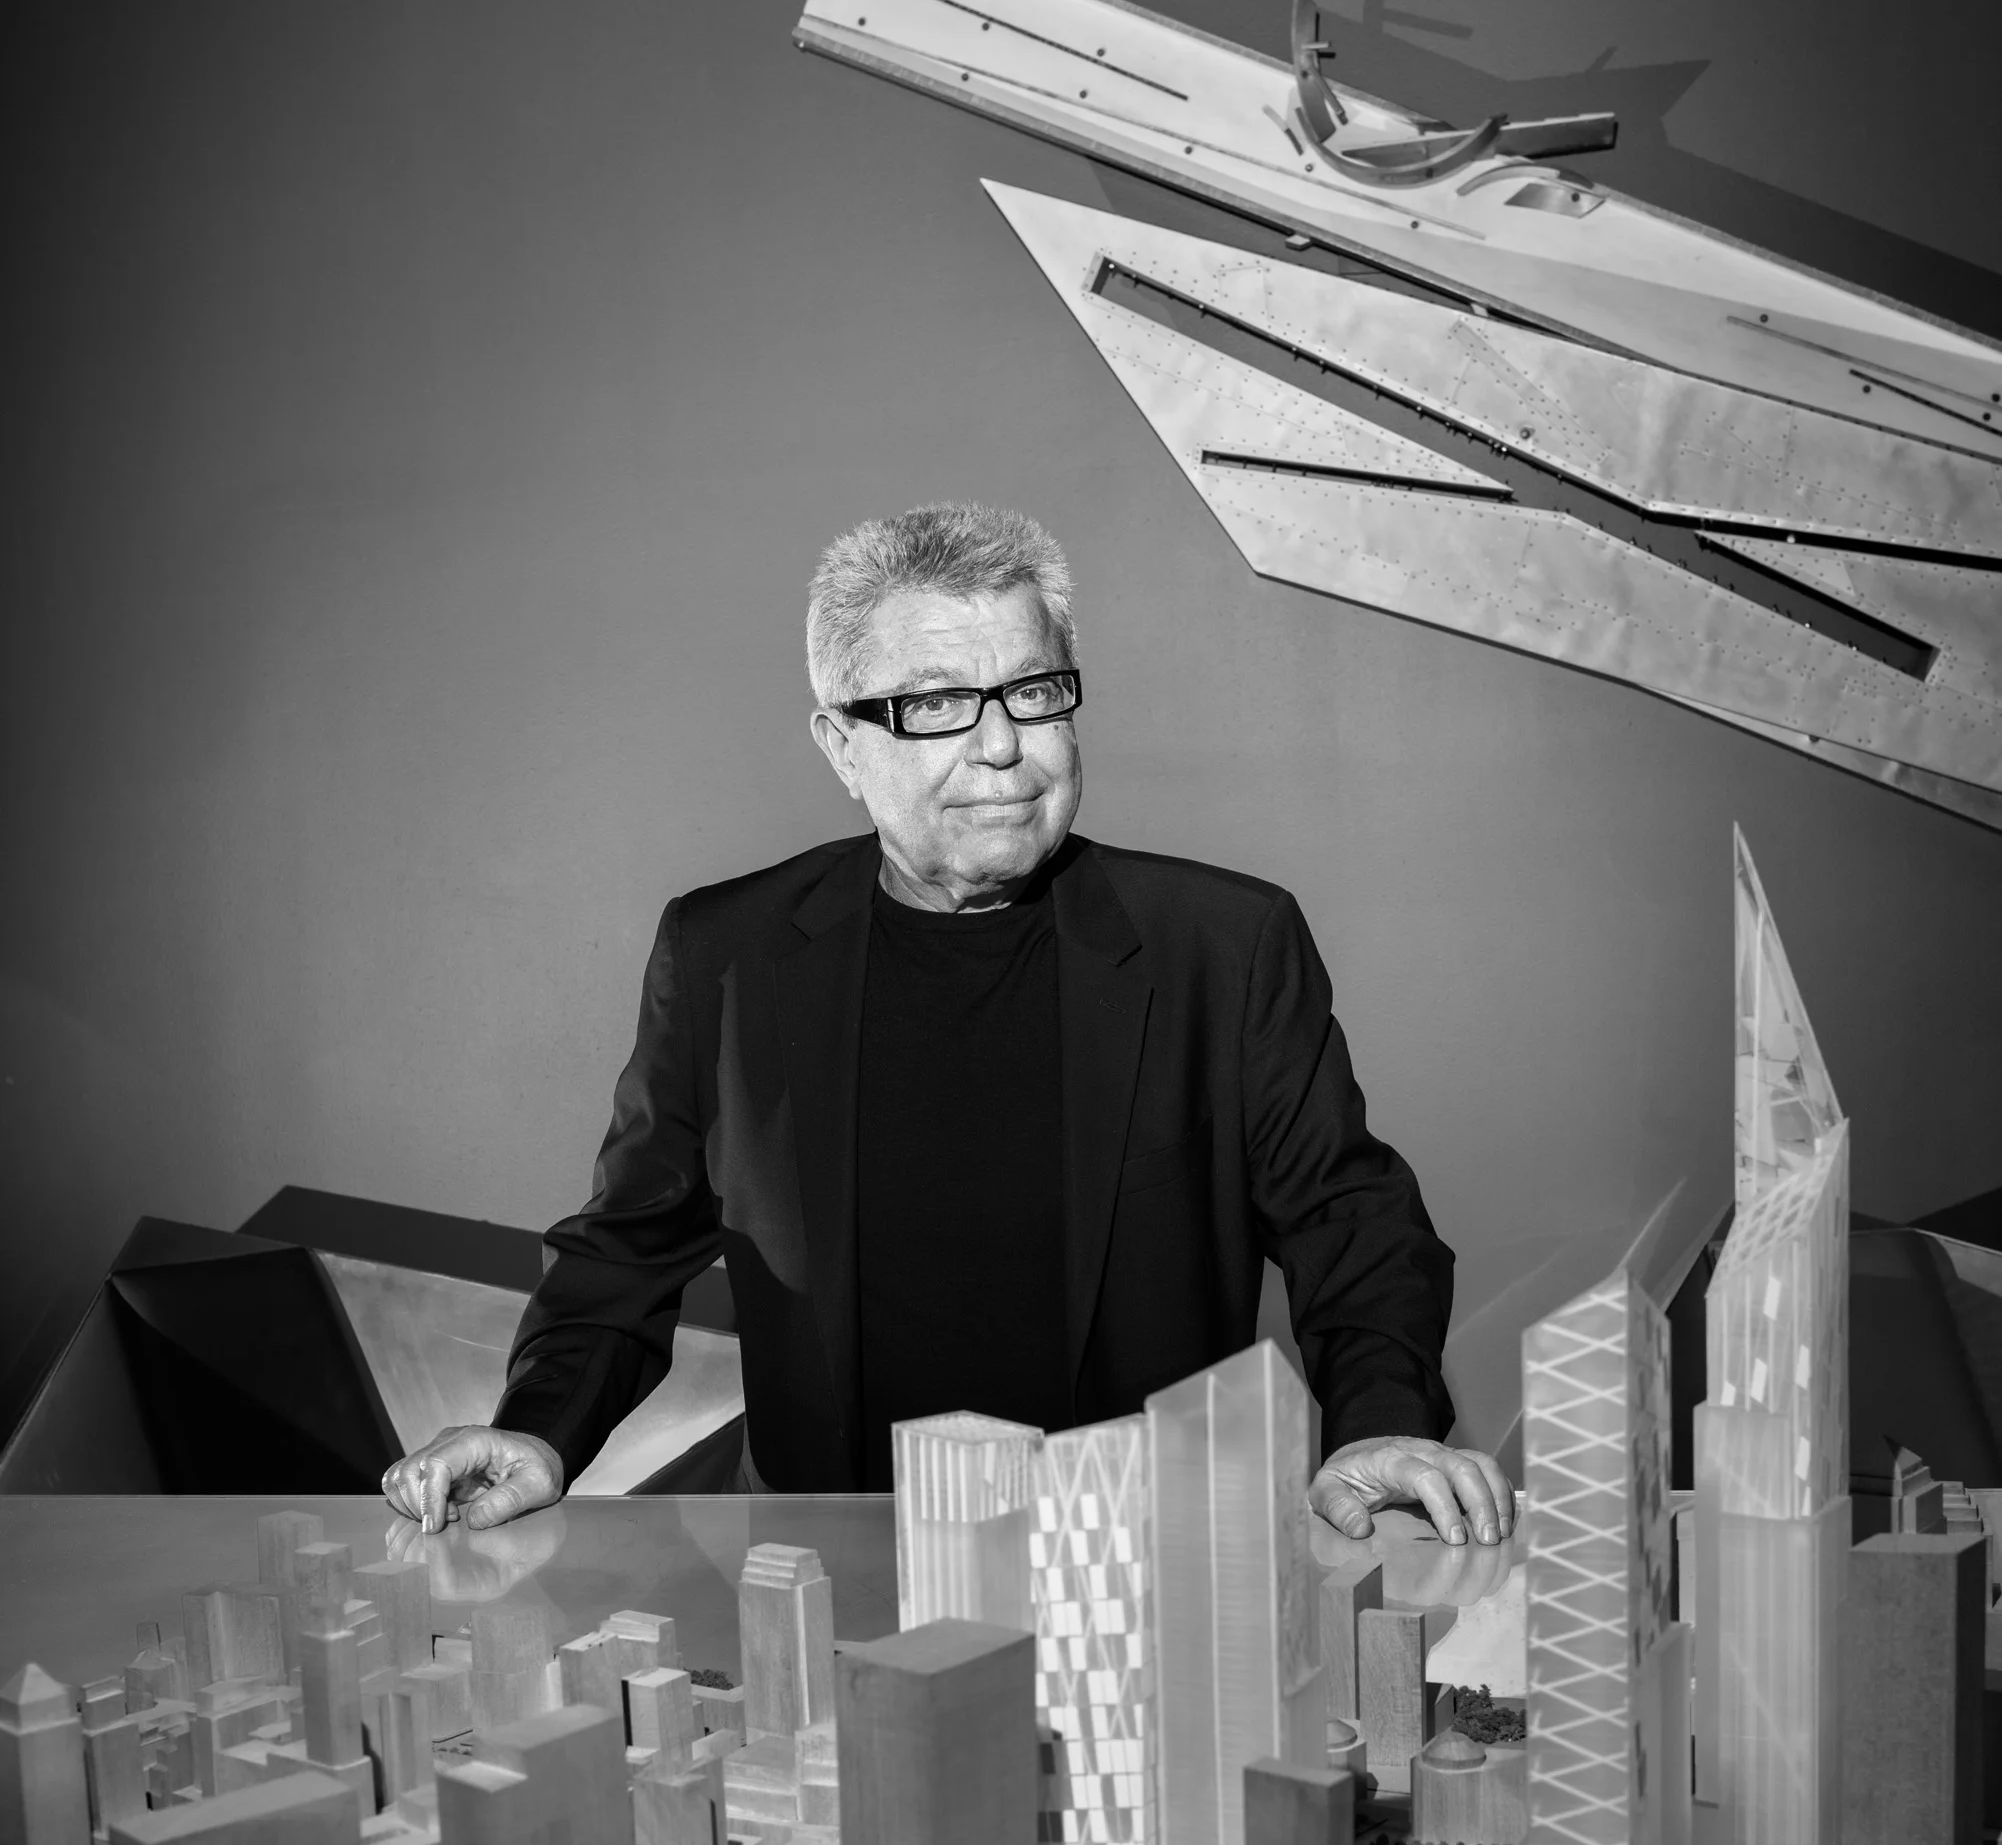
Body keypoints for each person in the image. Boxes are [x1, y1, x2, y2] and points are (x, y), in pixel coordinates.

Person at [383, 503, 1511, 1549]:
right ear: (841, 747)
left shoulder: (1223, 943)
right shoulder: (727, 952)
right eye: (934, 706)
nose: (1003, 746)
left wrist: (1380, 1421)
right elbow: (626, 1246)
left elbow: (1349, 1220)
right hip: (833, 1559)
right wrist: (537, 1427)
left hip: (1140, 1567)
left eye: (1034, 692)